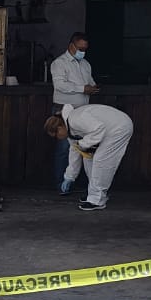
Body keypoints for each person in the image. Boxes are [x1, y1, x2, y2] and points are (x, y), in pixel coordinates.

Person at [44, 102, 134, 212]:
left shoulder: (76, 120)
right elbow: (75, 152)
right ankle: (94, 194)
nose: (57, 138)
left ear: (59, 128)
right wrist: (69, 177)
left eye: (56, 135)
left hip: (119, 127)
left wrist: (83, 144)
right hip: (110, 128)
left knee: (101, 161)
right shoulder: (70, 128)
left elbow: (99, 128)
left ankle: (97, 199)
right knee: (88, 158)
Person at [48, 32, 99, 189]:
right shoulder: (59, 63)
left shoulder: (86, 64)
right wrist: (82, 89)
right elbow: (60, 86)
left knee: (83, 147)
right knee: (64, 148)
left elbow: (90, 82)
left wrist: (93, 87)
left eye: (85, 49)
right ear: (71, 46)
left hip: (83, 111)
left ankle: (77, 182)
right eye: (80, 48)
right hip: (64, 109)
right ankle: (60, 182)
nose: (82, 52)